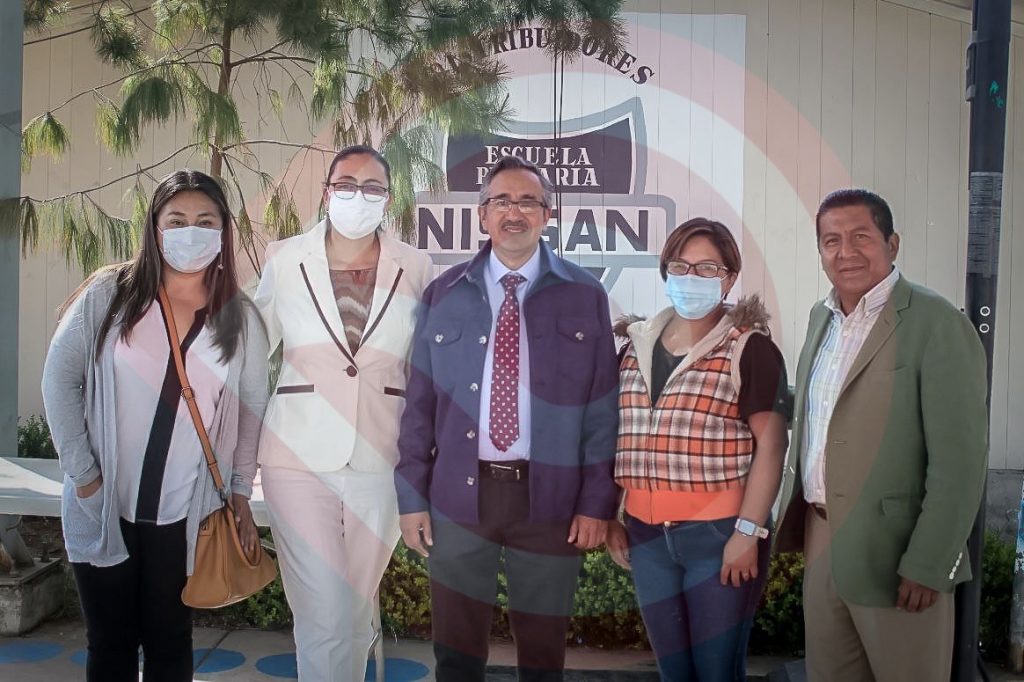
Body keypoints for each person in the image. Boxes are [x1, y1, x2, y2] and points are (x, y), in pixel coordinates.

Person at [395, 155, 619, 681]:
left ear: (547, 214)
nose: (513, 212)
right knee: (456, 652)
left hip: (549, 499)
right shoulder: (444, 293)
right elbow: (419, 406)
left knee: (543, 655)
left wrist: (596, 503)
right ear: (482, 214)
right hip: (458, 497)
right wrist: (412, 498)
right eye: (501, 201)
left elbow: (602, 411)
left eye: (527, 202)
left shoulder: (584, 294)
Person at [41, 169, 269, 682]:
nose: (191, 232)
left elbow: (252, 406)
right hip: (104, 506)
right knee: (110, 646)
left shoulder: (239, 317)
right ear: (155, 227)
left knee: (170, 645)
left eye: (205, 221)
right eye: (177, 220)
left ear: (223, 231)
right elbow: (59, 379)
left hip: (184, 513)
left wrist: (239, 491)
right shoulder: (110, 295)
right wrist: (85, 477)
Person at [774, 189, 989, 682]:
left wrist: (930, 561)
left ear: (892, 244)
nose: (845, 252)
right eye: (831, 241)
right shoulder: (822, 318)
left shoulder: (937, 323)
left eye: (860, 237)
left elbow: (959, 461)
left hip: (898, 553)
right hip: (823, 539)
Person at [254, 144, 434, 681]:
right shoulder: (286, 258)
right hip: (296, 457)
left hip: (382, 456)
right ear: (327, 192)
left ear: (389, 199)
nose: (359, 195)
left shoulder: (416, 266)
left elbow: (428, 366)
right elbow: (251, 349)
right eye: (346, 185)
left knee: (354, 612)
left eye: (373, 187)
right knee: (325, 613)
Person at [605, 218, 788, 681]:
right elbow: (616, 436)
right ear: (665, 271)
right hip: (647, 537)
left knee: (716, 671)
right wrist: (610, 516)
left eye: (708, 268)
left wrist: (747, 532)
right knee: (674, 672)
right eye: (681, 266)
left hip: (719, 536)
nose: (692, 278)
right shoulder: (633, 346)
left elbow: (772, 445)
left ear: (729, 278)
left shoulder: (747, 349)